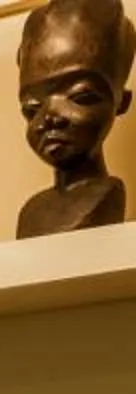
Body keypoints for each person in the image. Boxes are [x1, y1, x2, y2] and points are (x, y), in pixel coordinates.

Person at [18, 0, 135, 236]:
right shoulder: (31, 212)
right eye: (32, 108)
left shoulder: (106, 196)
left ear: (121, 102)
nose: (50, 117)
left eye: (79, 97)